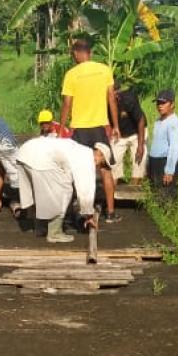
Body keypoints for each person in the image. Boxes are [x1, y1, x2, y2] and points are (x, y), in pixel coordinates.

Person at [59, 35, 120, 221]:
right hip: (99, 127)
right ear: (90, 53)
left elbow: (67, 104)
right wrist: (115, 125)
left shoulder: (71, 74)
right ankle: (110, 213)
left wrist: (62, 127)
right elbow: (111, 98)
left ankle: (80, 211)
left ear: (76, 54)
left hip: (79, 129)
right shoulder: (104, 70)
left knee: (78, 170)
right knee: (105, 170)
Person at [15, 135, 113, 243]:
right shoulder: (87, 159)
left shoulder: (78, 149)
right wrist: (89, 214)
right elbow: (85, 189)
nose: (100, 167)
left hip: (24, 153)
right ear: (99, 154)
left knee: (41, 192)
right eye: (102, 162)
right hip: (39, 159)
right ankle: (54, 232)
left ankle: (41, 228)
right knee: (64, 190)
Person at [148, 89, 178, 197]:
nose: (160, 106)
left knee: (166, 197)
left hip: (165, 163)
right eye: (158, 103)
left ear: (172, 104)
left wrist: (169, 170)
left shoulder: (173, 123)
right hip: (155, 163)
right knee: (156, 195)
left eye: (163, 103)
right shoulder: (159, 121)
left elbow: (174, 147)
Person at [110, 83, 147, 183]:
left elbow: (141, 120)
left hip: (137, 132)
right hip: (119, 134)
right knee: (114, 160)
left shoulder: (128, 99)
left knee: (139, 160)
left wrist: (140, 146)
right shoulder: (104, 104)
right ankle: (116, 188)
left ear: (116, 94)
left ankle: (135, 189)